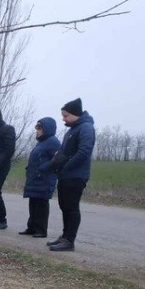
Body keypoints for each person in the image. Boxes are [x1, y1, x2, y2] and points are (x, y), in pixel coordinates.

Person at [47, 98, 96, 252]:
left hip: (76, 175)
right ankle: (64, 236)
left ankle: (69, 240)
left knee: (71, 207)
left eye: (66, 115)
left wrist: (67, 166)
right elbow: (64, 152)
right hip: (65, 174)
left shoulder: (86, 128)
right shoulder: (72, 129)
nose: (63, 118)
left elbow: (84, 152)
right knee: (64, 206)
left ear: (75, 114)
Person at [20, 118, 61, 238]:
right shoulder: (41, 142)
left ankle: (41, 230)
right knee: (33, 203)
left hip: (44, 178)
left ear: (46, 129)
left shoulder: (53, 142)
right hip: (35, 178)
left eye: (39, 128)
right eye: (36, 128)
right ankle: (31, 227)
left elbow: (57, 160)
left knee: (41, 204)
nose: (36, 131)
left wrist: (44, 168)